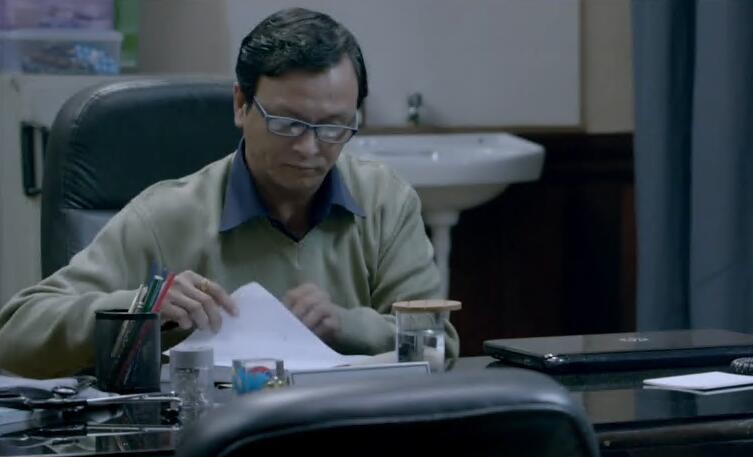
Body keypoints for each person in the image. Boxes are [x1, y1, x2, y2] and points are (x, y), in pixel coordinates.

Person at [0, 8, 455, 378]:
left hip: (346, 439)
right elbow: (14, 335)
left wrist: (345, 324)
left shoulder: (384, 200)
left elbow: (438, 346)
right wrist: (141, 307)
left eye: (334, 127)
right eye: (288, 123)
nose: (309, 148)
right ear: (241, 105)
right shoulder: (165, 215)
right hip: (207, 447)